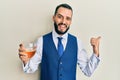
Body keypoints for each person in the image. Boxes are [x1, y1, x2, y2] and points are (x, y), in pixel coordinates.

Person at [19, 3, 101, 80]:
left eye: (68, 18)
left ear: (71, 22)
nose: (63, 22)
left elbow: (88, 71)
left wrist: (95, 52)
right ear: (53, 18)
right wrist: (26, 61)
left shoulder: (77, 43)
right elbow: (30, 69)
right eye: (60, 17)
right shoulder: (41, 41)